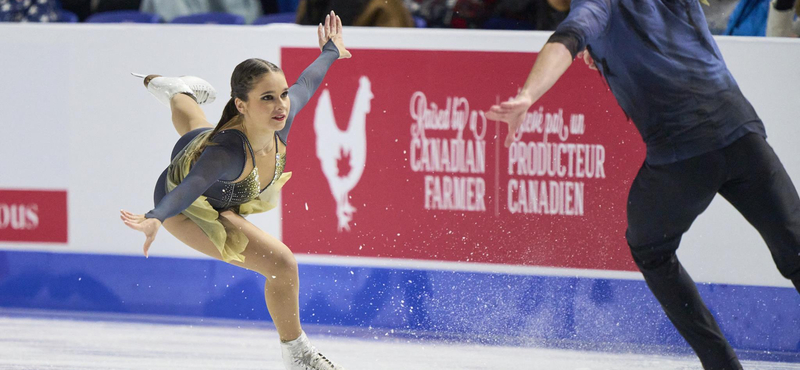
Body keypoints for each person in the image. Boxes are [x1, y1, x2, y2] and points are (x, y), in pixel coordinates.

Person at [485, 1, 800, 369]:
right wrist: (605, 47)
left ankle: (722, 365)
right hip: (744, 136)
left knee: (650, 249)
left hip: (682, 158)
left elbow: (566, 39)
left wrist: (527, 95)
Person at [121, 11, 351, 370]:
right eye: (267, 98)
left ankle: (176, 88)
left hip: (204, 157)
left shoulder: (281, 118)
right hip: (186, 203)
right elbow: (190, 186)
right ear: (242, 105)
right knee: (281, 264)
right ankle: (299, 357)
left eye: (282, 95)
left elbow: (307, 83)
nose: (281, 105)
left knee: (196, 126)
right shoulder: (225, 154)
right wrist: (155, 217)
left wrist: (331, 51)